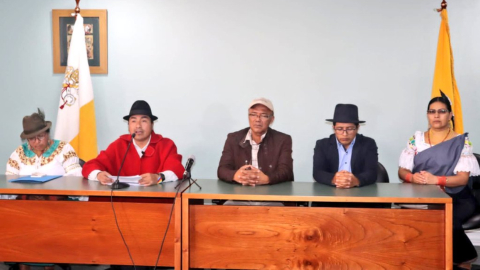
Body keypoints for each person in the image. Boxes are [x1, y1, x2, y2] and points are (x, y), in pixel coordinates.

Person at [398, 92, 480, 268]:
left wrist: (436, 179)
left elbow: (462, 179)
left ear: (450, 115)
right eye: (432, 111)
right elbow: (402, 171)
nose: (436, 115)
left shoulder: (461, 143)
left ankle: (463, 258)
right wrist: (412, 177)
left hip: (457, 197)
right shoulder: (416, 140)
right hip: (424, 196)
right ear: (427, 115)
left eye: (442, 111)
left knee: (445, 218)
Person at [4, 109, 82, 270]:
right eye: (31, 139)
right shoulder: (18, 154)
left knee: (46, 223)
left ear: (48, 133)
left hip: (56, 209)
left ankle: (49, 264)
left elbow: (76, 178)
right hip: (25, 210)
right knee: (17, 221)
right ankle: (21, 262)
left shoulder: (63, 149)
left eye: (40, 136)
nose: (36, 142)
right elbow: (8, 184)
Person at [82, 100, 184, 185]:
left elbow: (177, 170)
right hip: (122, 202)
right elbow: (90, 166)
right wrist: (98, 175)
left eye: (143, 121)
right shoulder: (118, 145)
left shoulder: (166, 145)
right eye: (133, 121)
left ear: (152, 124)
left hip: (157, 202)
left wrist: (158, 178)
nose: (138, 125)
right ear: (128, 125)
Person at [217, 97, 293, 192]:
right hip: (239, 197)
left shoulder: (282, 140)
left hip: (271, 197)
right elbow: (222, 169)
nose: (257, 119)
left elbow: (286, 171)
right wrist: (235, 175)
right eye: (253, 114)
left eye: (263, 115)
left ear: (272, 119)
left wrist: (267, 179)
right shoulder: (233, 138)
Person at [313, 104, 378, 188]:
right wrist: (335, 179)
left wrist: (356, 180)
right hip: (330, 193)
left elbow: (372, 173)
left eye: (350, 129)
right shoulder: (322, 145)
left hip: (359, 194)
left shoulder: (368, 144)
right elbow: (318, 172)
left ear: (357, 128)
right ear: (333, 128)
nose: (345, 134)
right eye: (340, 129)